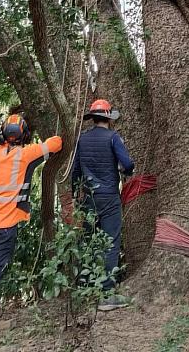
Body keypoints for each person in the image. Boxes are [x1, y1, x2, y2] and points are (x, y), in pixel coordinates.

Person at [0, 114, 62, 334]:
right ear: (23, 134)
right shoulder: (26, 155)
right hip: (5, 226)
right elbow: (57, 143)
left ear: (2, 134)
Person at [71, 99, 134, 311]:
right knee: (110, 243)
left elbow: (76, 172)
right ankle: (106, 295)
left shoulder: (83, 139)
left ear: (93, 118)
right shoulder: (113, 137)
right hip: (108, 197)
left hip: (87, 197)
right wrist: (128, 172)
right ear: (108, 118)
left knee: (89, 242)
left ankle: (87, 289)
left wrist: (75, 196)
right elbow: (127, 164)